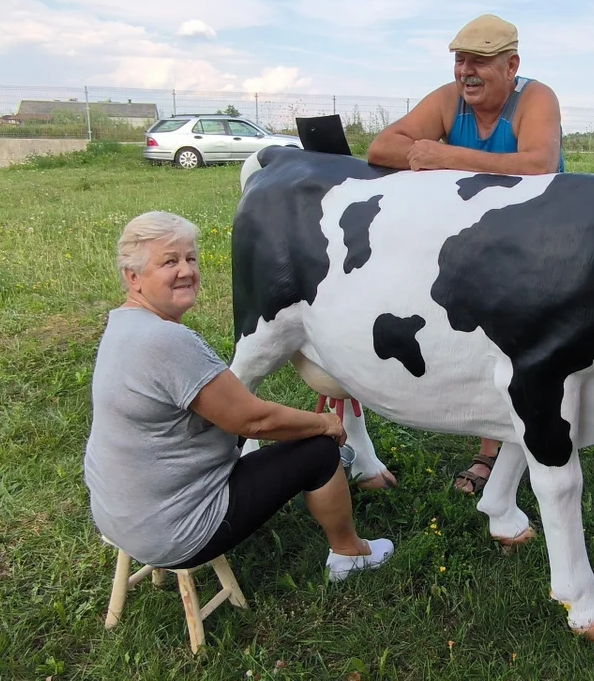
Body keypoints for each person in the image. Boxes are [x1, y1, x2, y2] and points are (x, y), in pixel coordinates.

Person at [83, 211, 393, 580]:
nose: (186, 270)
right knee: (320, 450)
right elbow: (253, 420)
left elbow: (230, 411)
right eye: (170, 261)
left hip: (121, 516)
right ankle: (349, 554)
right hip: (176, 532)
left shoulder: (123, 325)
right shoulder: (166, 341)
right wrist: (324, 422)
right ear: (133, 277)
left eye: (191, 258)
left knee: (292, 432)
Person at [367, 13, 564, 494]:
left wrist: (447, 156)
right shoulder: (448, 99)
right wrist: (427, 153)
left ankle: (510, 448)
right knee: (479, 339)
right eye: (460, 61)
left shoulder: (535, 98)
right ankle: (494, 444)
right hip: (472, 239)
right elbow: (381, 147)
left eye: (479, 61)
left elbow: (539, 163)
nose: (465, 73)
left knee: (521, 343)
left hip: (538, 237)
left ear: (512, 64)